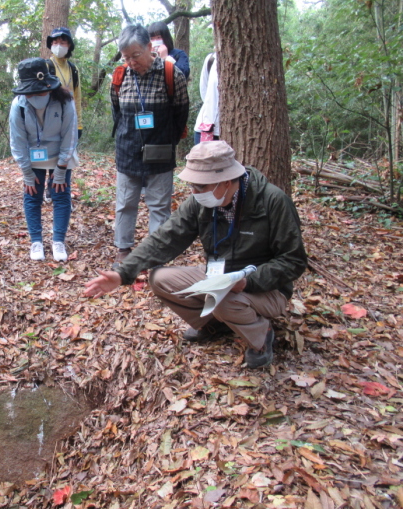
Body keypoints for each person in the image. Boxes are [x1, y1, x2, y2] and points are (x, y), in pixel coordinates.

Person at [84, 141, 308, 369]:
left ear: (227, 182)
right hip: (220, 276)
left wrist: (249, 282)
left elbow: (294, 260)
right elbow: (165, 239)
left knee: (224, 300)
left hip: (266, 288)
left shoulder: (272, 201)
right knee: (159, 279)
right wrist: (123, 273)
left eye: (200, 187)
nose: (194, 192)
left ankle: (262, 335)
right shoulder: (200, 202)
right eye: (192, 185)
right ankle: (216, 324)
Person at [110, 25, 189, 268]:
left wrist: (167, 141)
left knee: (159, 206)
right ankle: (124, 250)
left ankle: (156, 256)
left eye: (136, 55)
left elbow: (180, 113)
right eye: (126, 57)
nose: (132, 62)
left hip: (160, 150)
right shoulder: (120, 75)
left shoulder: (170, 73)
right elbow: (117, 113)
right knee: (125, 203)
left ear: (148, 48)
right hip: (127, 149)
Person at [9, 58, 78, 262]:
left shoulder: (65, 101)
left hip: (60, 153)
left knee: (60, 193)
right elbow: (18, 141)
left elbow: (70, 135)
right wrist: (27, 173)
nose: (36, 97)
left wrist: (61, 169)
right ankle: (36, 241)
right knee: (32, 195)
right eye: (31, 92)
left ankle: (58, 240)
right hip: (33, 154)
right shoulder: (19, 105)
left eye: (40, 92)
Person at [44, 27, 83, 203]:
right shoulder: (46, 66)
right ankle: (50, 189)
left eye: (63, 42)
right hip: (51, 119)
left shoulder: (73, 70)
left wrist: (79, 124)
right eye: (55, 42)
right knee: (51, 153)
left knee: (66, 154)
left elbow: (78, 98)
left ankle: (61, 189)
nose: (58, 45)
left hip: (70, 119)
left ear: (69, 45)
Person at [194, 51, 220, 144]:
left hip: (231, 131)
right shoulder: (211, 59)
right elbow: (204, 91)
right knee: (202, 158)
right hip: (206, 128)